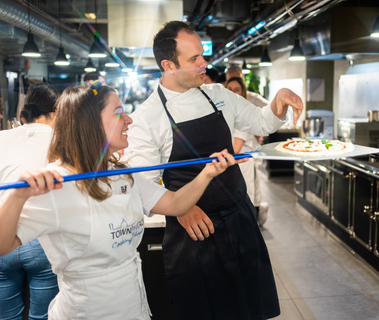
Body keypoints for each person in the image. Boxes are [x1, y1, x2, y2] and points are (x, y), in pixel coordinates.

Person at [0, 82, 239, 320]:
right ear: (89, 123)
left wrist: (208, 172)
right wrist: (16, 196)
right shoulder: (57, 184)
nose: (129, 120)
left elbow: (175, 203)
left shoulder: (122, 173)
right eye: (118, 113)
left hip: (135, 308)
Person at [126, 20, 303, 320]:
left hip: (240, 219)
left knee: (251, 310)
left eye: (202, 56)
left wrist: (278, 103)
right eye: (194, 59)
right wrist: (179, 207)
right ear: (168, 65)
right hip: (197, 236)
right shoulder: (147, 118)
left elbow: (260, 122)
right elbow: (141, 185)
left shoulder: (218, 95)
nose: (204, 64)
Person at [0, 83, 59, 320]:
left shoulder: (3, 137)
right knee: (43, 317)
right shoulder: (62, 141)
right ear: (56, 113)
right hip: (41, 240)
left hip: (3, 235)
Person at [225, 66, 271, 226]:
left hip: (242, 161)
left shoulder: (242, 113)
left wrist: (261, 128)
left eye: (236, 89)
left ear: (243, 91)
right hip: (233, 163)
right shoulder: (226, 112)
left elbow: (235, 148)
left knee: (248, 201)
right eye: (229, 89)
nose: (232, 93)